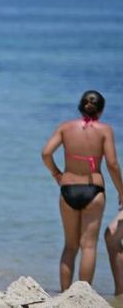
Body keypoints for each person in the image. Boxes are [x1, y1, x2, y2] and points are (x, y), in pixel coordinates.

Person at [42, 90, 123, 292]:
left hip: (67, 189)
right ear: (101, 110)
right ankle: (83, 295)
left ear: (81, 106)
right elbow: (112, 164)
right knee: (88, 246)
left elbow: (45, 153)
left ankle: (64, 294)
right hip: (93, 190)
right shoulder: (105, 130)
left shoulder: (65, 127)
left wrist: (57, 175)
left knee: (70, 246)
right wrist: (122, 191)